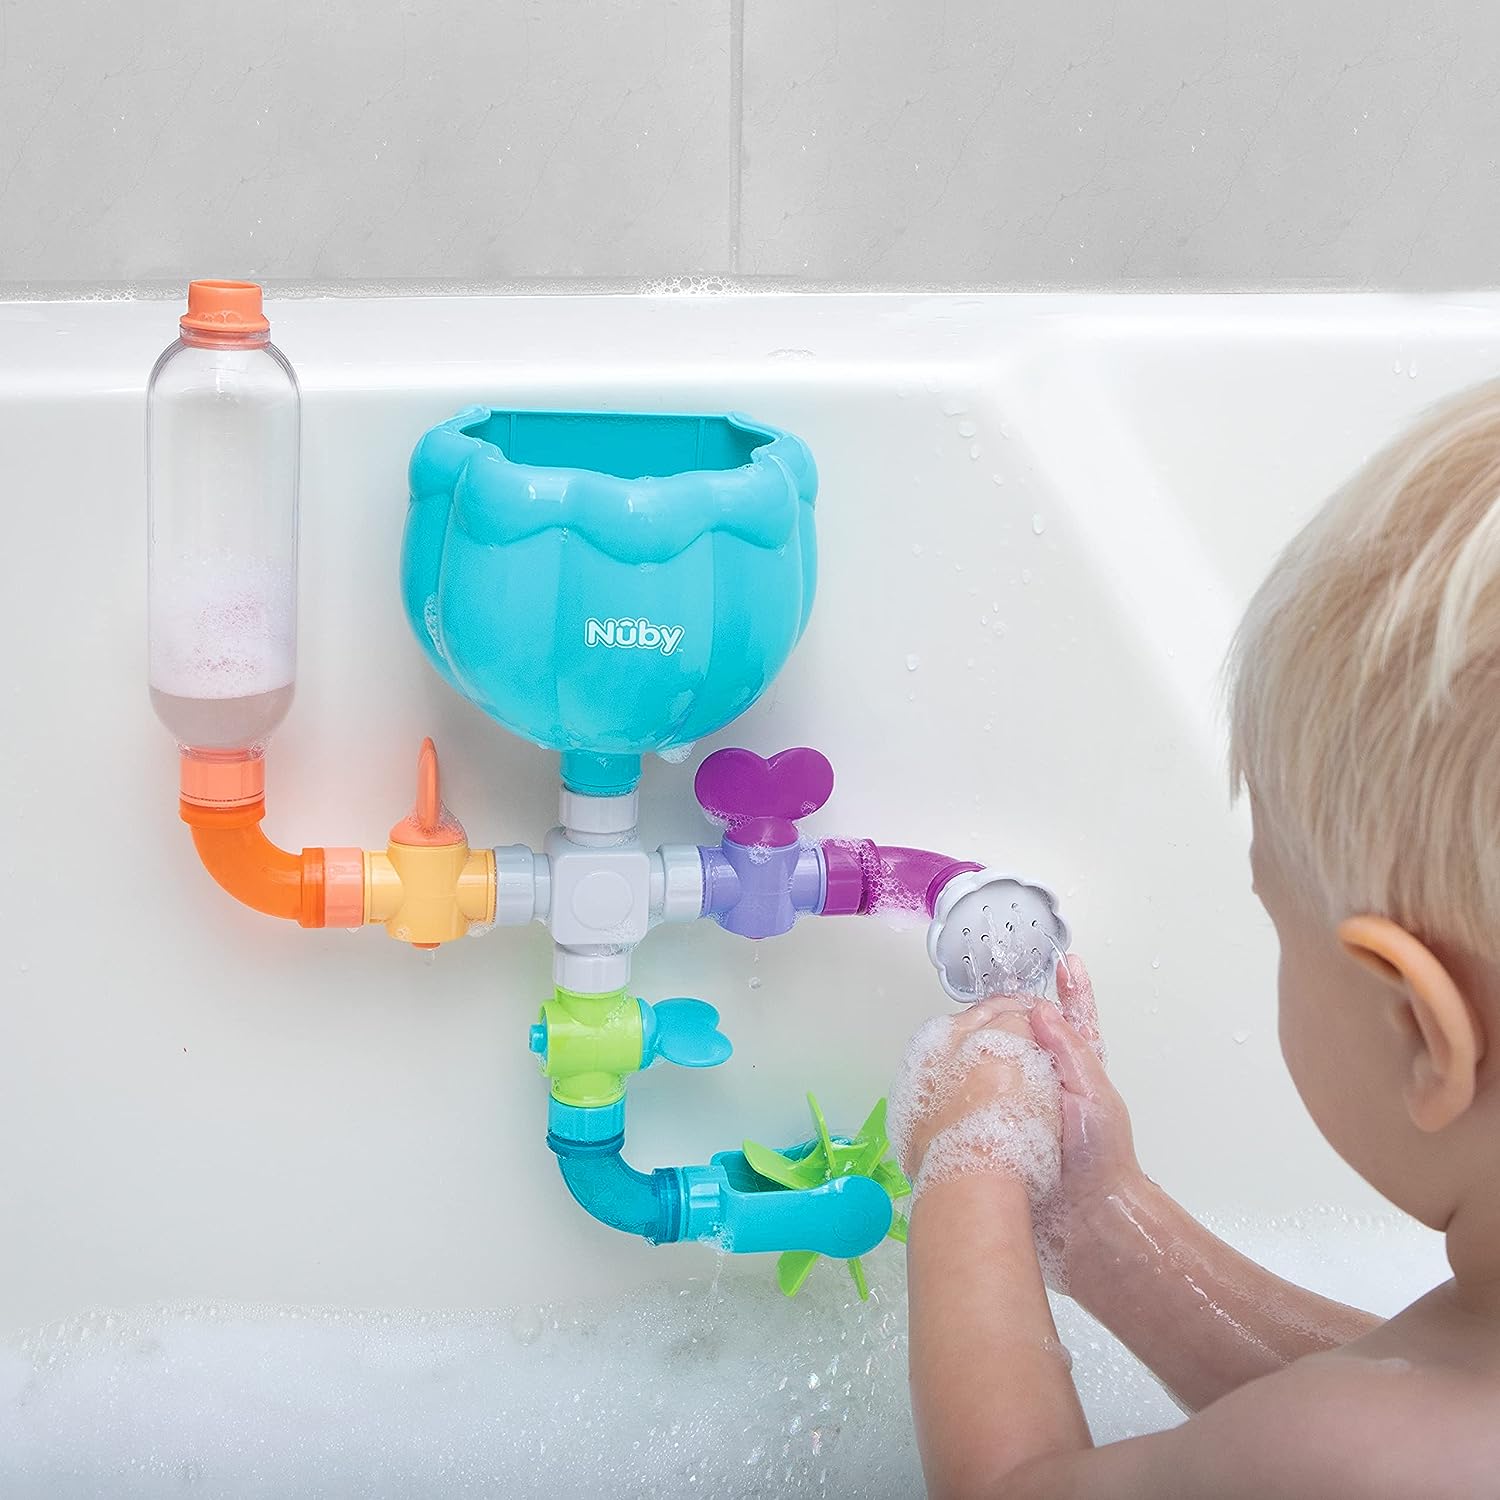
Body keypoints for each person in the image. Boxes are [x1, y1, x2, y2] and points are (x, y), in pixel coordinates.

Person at [893, 380, 1500, 1498]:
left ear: (1420, 1030)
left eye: (1278, 922)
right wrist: (1106, 1220)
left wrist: (965, 1166)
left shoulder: (1365, 1455)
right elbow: (1394, 1391)